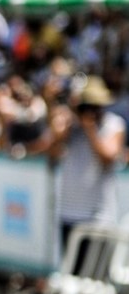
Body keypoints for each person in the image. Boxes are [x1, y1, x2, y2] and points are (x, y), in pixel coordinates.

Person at [46, 75, 125, 264]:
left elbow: (107, 159)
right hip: (68, 212)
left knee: (91, 279)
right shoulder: (70, 125)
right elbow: (53, 153)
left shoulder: (113, 124)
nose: (91, 112)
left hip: (97, 216)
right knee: (71, 275)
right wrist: (60, 126)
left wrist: (90, 130)